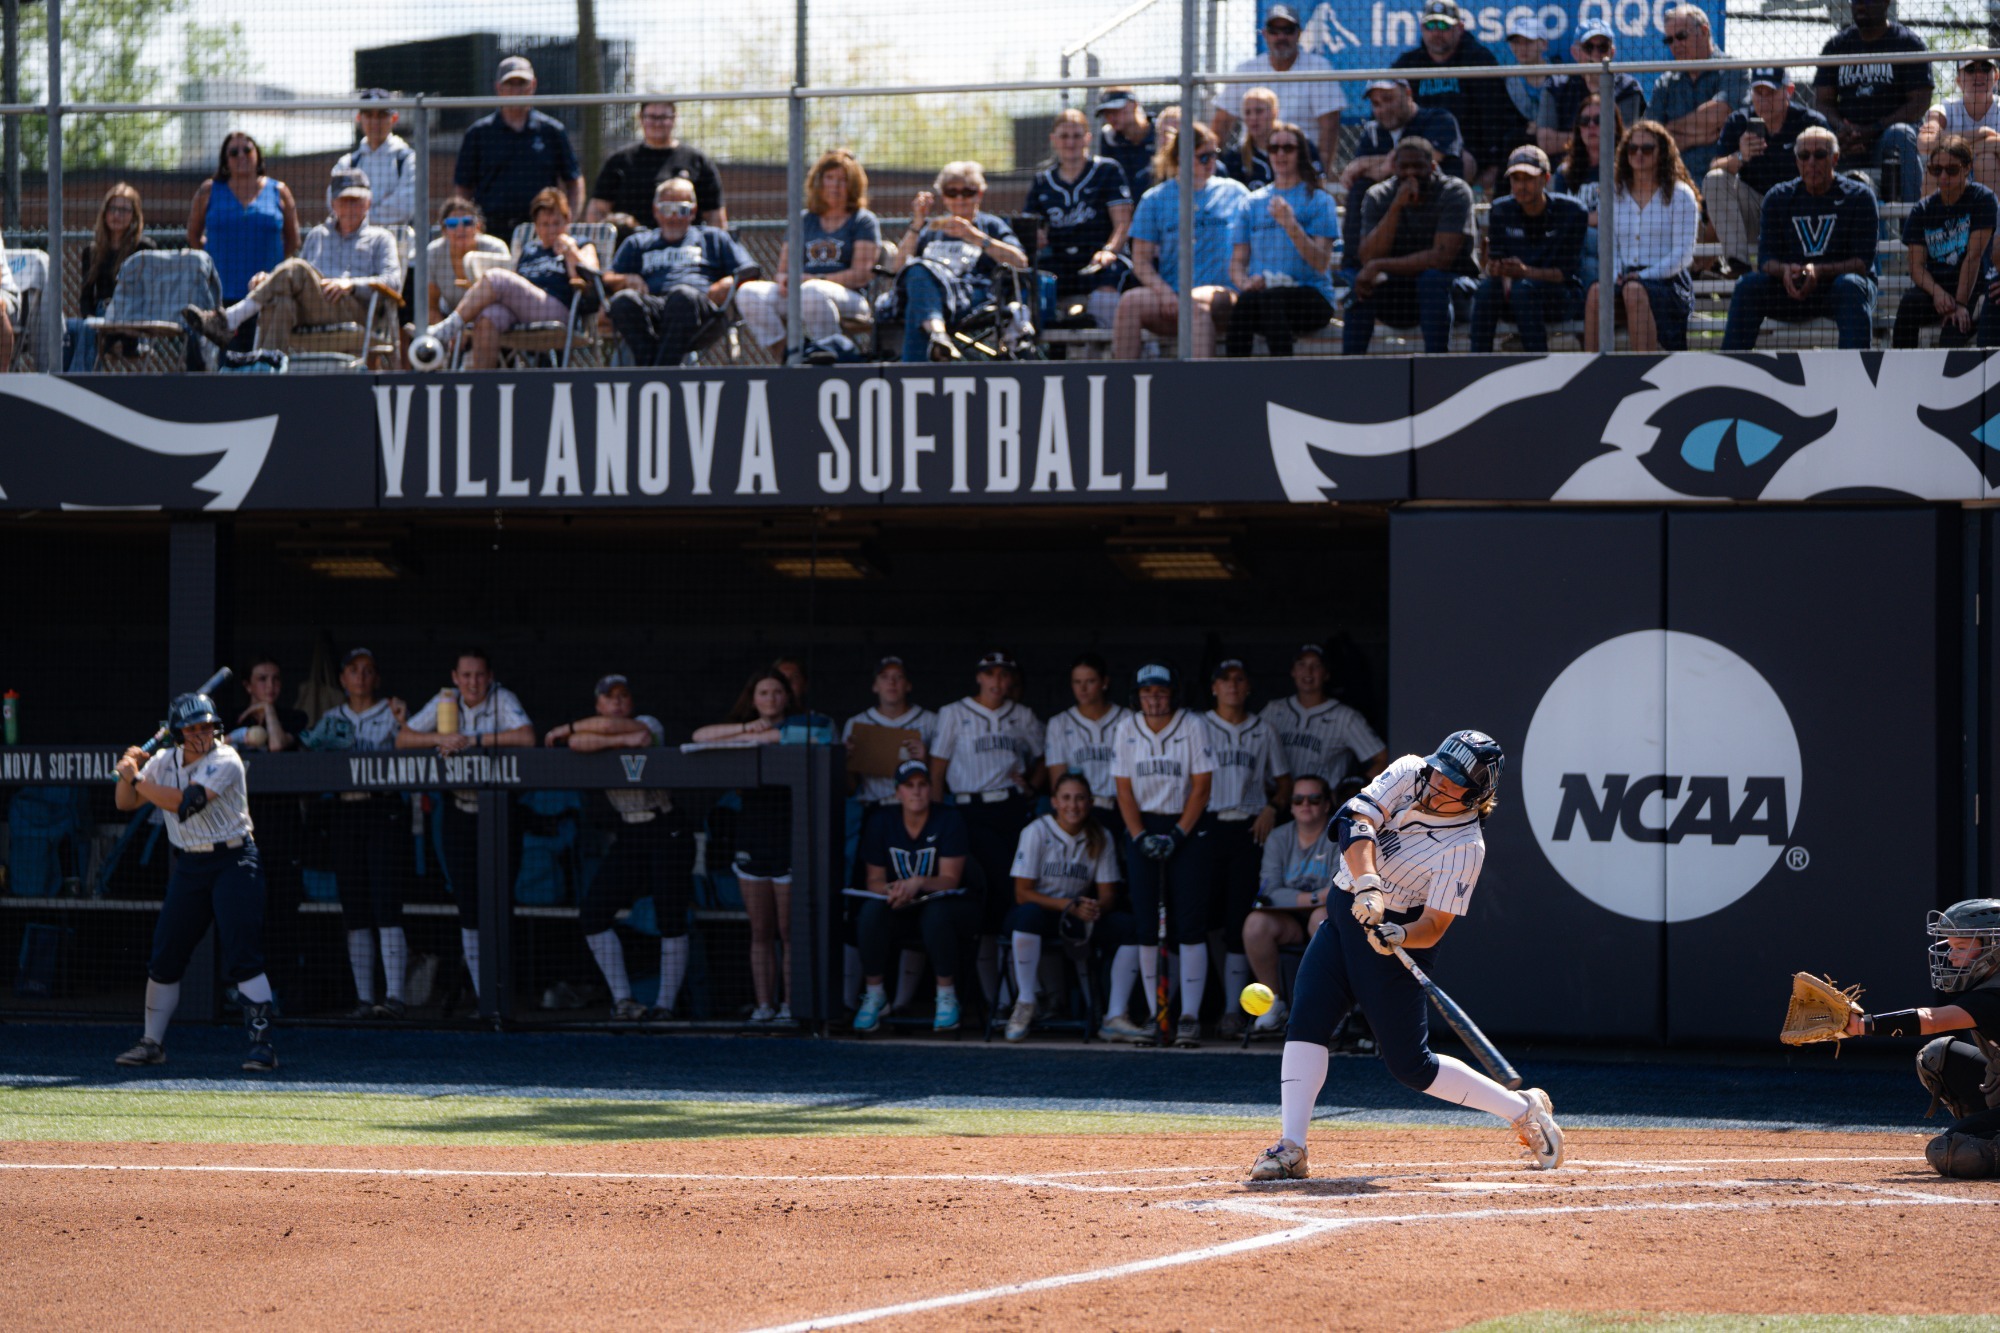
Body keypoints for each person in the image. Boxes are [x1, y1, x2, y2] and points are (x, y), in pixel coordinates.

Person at [1250, 730, 1564, 1181]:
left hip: (1393, 940)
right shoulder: (1410, 771)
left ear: (1476, 795)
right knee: (1306, 1022)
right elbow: (1355, 820)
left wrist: (1399, 933)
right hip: (1345, 911)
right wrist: (1368, 884)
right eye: (1439, 771)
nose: (1437, 783)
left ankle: (1523, 1108)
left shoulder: (1465, 847)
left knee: (1412, 1066)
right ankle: (1291, 1148)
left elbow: (1434, 924)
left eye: (1453, 782)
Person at [112, 694, 278, 1072]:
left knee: (243, 954)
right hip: (190, 863)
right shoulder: (162, 761)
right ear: (177, 733)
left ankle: (262, 1046)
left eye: (207, 726)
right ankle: (151, 1043)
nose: (202, 734)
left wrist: (136, 776)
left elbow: (185, 803)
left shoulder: (226, 758)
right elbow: (125, 803)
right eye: (193, 728)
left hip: (234, 859)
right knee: (165, 955)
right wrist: (127, 771)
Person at [548, 675, 695, 1021]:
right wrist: (615, 740)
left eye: (623, 696)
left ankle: (665, 1006)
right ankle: (624, 1001)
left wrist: (576, 730)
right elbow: (576, 743)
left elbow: (636, 735)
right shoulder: (593, 731)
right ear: (598, 705)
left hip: (666, 826)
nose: (616, 702)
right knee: (593, 914)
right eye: (608, 697)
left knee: (670, 916)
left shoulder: (648, 723)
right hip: (629, 831)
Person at [396, 649, 535, 1002]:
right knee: (468, 903)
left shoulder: (502, 698)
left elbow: (526, 736)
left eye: (479, 675)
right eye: (466, 675)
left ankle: (504, 996)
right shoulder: (446, 699)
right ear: (455, 677)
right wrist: (440, 738)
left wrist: (474, 740)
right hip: (459, 811)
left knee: (499, 900)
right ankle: (482, 995)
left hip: (499, 811)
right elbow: (403, 738)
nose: (473, 682)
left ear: (490, 676)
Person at [1830, 899, 2000, 1178]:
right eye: (1951, 946)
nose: (1951, 956)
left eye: (1961, 947)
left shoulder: (1994, 995)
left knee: (1953, 1153)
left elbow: (1933, 1020)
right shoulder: (1989, 987)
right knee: (1937, 1057)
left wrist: (1861, 1026)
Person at [182, 168, 399, 356]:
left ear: (368, 203)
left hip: (354, 311)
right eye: (344, 200)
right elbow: (296, 281)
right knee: (281, 300)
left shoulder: (381, 238)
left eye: (356, 200)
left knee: (296, 267)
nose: (350, 207)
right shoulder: (317, 235)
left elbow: (394, 281)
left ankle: (230, 319)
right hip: (313, 307)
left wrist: (351, 285)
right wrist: (270, 281)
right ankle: (267, 373)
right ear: (333, 203)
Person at [930, 650, 1044, 1009]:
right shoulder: (954, 712)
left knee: (1010, 896)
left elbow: (1045, 756)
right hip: (968, 809)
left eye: (1004, 674)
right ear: (979, 677)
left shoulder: (1022, 715)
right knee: (979, 899)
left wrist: (1032, 786)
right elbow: (937, 769)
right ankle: (991, 997)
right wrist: (938, 818)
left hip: (1009, 808)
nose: (997, 681)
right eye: (991, 674)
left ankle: (1013, 996)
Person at [1113, 663, 1214, 1048]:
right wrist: (1139, 836)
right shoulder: (1126, 728)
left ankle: (1189, 1016)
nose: (1153, 699)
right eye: (1146, 693)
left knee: (1189, 923)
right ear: (1136, 696)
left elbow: (1202, 787)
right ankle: (1159, 1014)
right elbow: (1123, 789)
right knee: (1146, 924)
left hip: (1185, 826)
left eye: (1160, 692)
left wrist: (1178, 833)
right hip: (1142, 827)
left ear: (1173, 694)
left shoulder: (1192, 725)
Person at [693, 669, 798, 1023]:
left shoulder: (799, 728)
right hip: (751, 837)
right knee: (760, 931)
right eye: (763, 692)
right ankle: (764, 1006)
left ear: (787, 697)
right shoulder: (742, 727)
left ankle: (791, 1006)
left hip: (787, 837)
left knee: (789, 931)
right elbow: (699, 737)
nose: (771, 698)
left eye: (777, 692)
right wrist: (745, 730)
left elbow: (811, 737)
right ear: (752, 698)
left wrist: (765, 736)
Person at [1722, 127, 1879, 351]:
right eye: (1804, 156)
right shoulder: (1778, 197)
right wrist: (1786, 271)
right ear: (1797, 161)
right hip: (1792, 290)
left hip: (1840, 291)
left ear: (1835, 159)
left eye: (1820, 155)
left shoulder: (1859, 196)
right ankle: (1730, 366)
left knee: (1850, 285)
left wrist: (1818, 271)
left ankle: (1856, 369)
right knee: (1747, 286)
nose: (1811, 162)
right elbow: (1765, 260)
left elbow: (1862, 263)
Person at [853, 761, 976, 1034]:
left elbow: (950, 879)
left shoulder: (948, 819)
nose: (917, 791)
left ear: (931, 789)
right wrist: (894, 891)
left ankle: (946, 996)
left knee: (937, 915)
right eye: (909, 785)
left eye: (922, 785)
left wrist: (918, 883)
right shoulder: (881, 821)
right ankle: (875, 995)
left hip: (940, 905)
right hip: (898, 905)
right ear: (898, 792)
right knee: (870, 912)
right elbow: (873, 880)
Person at [418, 187, 599, 371]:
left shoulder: (582, 244)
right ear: (536, 226)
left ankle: (448, 328)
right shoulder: (530, 250)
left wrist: (570, 249)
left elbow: (593, 275)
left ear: (568, 220)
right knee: (488, 316)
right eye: (545, 224)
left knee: (497, 277)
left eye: (556, 223)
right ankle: (482, 383)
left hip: (559, 311)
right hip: (523, 312)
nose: (551, 230)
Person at [1202, 659, 1290, 1040]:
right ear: (1213, 687)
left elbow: (1284, 782)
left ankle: (1231, 1011)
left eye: (1239, 679)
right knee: (1205, 918)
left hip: (1249, 828)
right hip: (1206, 824)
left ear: (1249, 687)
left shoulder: (1263, 729)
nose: (1232, 686)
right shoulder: (1197, 726)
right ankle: (1210, 1003)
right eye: (1224, 680)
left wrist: (1272, 807)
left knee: (1240, 917)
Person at [323, 649, 412, 1018]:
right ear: (342, 678)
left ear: (377, 677)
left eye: (368, 670)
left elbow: (410, 750)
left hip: (382, 810)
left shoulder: (392, 712)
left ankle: (394, 998)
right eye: (353, 670)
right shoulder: (331, 718)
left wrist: (405, 724)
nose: (360, 677)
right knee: (355, 906)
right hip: (345, 812)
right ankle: (364, 999)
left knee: (387, 903)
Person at [1003, 771, 1123, 1042]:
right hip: (1041, 911)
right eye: (1066, 798)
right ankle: (1026, 1001)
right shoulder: (1036, 831)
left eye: (1080, 798)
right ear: (1054, 802)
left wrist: (1095, 907)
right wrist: (1068, 905)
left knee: (1131, 928)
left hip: (1077, 915)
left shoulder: (1101, 835)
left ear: (1090, 802)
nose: (1073, 805)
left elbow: (1109, 895)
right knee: (1027, 916)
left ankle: (1115, 1015)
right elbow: (1022, 893)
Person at [1114, 124, 1248, 361]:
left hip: (1223, 297)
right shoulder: (1155, 199)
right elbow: (1141, 260)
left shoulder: (1235, 193)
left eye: (1214, 154)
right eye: (1203, 156)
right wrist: (1164, 292)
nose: (1211, 162)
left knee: (1195, 302)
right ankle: (1122, 381)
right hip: (1172, 298)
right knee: (1129, 302)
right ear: (1181, 158)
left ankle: (1198, 381)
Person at [737, 149, 882, 357]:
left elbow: (861, 274)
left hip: (850, 298)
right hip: (801, 292)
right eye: (830, 178)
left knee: (812, 292)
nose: (835, 185)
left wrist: (816, 279)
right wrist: (785, 280)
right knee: (748, 293)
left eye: (843, 180)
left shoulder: (863, 220)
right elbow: (782, 271)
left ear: (853, 185)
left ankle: (832, 356)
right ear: (818, 182)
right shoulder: (803, 220)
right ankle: (790, 356)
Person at [882, 161, 1028, 363]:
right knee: (917, 273)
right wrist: (917, 223)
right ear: (943, 196)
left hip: (971, 295)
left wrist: (975, 237)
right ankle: (938, 334)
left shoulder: (991, 225)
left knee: (917, 299)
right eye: (952, 192)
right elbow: (897, 268)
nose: (960, 199)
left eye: (967, 192)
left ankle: (917, 366)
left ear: (979, 194)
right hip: (931, 295)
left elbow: (1021, 262)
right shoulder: (932, 228)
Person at [1343, 137, 1478, 355]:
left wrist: (1380, 265)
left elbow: (1440, 259)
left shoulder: (1455, 191)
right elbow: (1368, 257)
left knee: (1431, 279)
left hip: (1453, 291)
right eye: (1404, 167)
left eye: (1418, 166)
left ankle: (1436, 365)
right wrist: (1396, 206)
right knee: (1362, 285)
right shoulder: (1378, 195)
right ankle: (1349, 367)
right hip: (1401, 295)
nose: (1411, 173)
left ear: (1432, 166)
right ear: (1394, 168)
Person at [605, 177, 752, 367]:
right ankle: (654, 370)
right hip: (654, 307)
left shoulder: (713, 238)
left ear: (693, 211)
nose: (674, 217)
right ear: (656, 211)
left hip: (701, 311)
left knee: (681, 296)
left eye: (682, 209)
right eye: (667, 209)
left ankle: (659, 374)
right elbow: (606, 277)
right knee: (623, 300)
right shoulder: (638, 243)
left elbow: (748, 270)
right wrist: (626, 279)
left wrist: (727, 283)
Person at [1240, 772, 1342, 1038]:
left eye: (1314, 799)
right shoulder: (1278, 837)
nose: (1305, 805)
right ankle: (1273, 1004)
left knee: (1320, 918)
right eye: (1298, 800)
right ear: (1291, 806)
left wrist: (1313, 899)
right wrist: (1312, 897)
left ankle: (1329, 1008)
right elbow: (1269, 892)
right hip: (1286, 919)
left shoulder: (1340, 834)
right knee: (1255, 924)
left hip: (1326, 917)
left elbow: (1339, 888)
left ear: (1327, 804)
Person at [1585, 119, 1699, 353]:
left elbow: (1684, 255)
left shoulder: (1681, 195)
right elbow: (1609, 246)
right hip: (1624, 276)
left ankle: (1645, 367)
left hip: (1668, 281)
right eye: (1632, 148)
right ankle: (1592, 367)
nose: (1638, 154)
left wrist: (1642, 276)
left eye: (1647, 149)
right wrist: (1616, 273)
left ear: (1662, 153)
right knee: (1597, 291)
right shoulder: (1613, 195)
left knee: (1634, 290)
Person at [1226, 122, 1338, 357]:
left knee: (1271, 299)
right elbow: (1237, 262)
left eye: (1288, 148)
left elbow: (1321, 262)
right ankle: (1233, 375)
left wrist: (1290, 224)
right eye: (1274, 148)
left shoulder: (1319, 200)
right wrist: (1245, 283)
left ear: (1300, 153)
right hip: (1264, 298)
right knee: (1245, 302)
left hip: (1311, 298)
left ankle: (1283, 372)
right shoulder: (1251, 202)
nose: (1280, 154)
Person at [1706, 69, 1831, 276]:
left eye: (1770, 92)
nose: (1763, 100)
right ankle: (1739, 266)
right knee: (1714, 179)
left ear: (1789, 91)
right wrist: (1740, 156)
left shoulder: (1810, 122)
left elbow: (1830, 169)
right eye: (1758, 92)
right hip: (1755, 212)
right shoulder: (1739, 121)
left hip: (1798, 211)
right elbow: (1714, 166)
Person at [186, 131, 300, 346]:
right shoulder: (209, 190)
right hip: (219, 297)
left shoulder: (279, 190)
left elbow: (293, 241)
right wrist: (213, 259)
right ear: (225, 160)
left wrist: (272, 266)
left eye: (247, 150)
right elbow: (193, 235)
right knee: (223, 359)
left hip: (267, 296)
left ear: (257, 155)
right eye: (233, 152)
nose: (241, 156)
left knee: (264, 356)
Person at [1470, 144, 1587, 353]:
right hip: (1515, 296)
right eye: (1516, 179)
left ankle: (1537, 362)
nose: (1521, 186)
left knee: (1523, 290)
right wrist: (1493, 267)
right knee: (1487, 289)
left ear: (1546, 179)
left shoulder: (1572, 212)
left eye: (1529, 179)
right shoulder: (1500, 210)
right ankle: (1477, 362)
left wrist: (1526, 272)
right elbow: (1495, 264)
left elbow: (1566, 274)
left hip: (1560, 299)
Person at [453, 55, 584, 242]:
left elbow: (574, 181)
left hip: (541, 233)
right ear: (498, 88)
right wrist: (470, 223)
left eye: (522, 83)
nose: (516, 90)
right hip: (491, 231)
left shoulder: (552, 131)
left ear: (533, 85)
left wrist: (566, 220)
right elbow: (463, 187)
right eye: (509, 84)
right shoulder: (478, 134)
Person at [1814, 0, 1931, 204]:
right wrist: (1842, 129)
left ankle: (1911, 220)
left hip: (1887, 140)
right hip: (1846, 140)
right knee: (1814, 136)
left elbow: (1919, 103)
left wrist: (1873, 129)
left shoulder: (1908, 43)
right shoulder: (1836, 46)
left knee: (1901, 133)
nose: (1860, 5)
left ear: (1885, 3)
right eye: (1855, 1)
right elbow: (1823, 102)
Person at [1024, 111, 1133, 330]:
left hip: (1098, 260)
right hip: (1060, 262)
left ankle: (1106, 346)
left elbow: (1123, 222)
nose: (1070, 142)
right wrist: (1036, 234)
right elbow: (1030, 223)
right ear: (1053, 139)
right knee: (1030, 284)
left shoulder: (1107, 170)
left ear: (1087, 138)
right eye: (1064, 136)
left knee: (1107, 291)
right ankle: (1045, 346)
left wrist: (1109, 251)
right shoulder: (1043, 180)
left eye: (1076, 136)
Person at [1391, 0, 1513, 185]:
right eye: (1430, 26)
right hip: (1415, 149)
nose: (1436, 33)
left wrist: (1493, 164)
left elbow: (1495, 119)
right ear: (1421, 28)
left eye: (1444, 26)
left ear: (1459, 28)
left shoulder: (1479, 61)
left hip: (1467, 152)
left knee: (1453, 167)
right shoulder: (1408, 64)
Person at [1211, 4, 1345, 170]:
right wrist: (1210, 163)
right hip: (1251, 166)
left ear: (1299, 33)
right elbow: (1222, 123)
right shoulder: (1246, 70)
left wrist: (1320, 173)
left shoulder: (1319, 68)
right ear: (1265, 34)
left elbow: (1330, 127)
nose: (1281, 36)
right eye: (1274, 31)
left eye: (1288, 30)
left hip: (1299, 166)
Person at [1893, 136, 1997, 348]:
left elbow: (1973, 257)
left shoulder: (1983, 199)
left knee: (1951, 338)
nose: (1943, 176)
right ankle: (1897, 365)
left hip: (1974, 289)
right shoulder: (1923, 209)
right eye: (1936, 169)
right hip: (1936, 288)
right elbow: (1916, 266)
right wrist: (1937, 293)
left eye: (1951, 170)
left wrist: (1960, 304)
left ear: (1967, 168)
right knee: (1909, 306)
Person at [1340, 79, 1464, 249]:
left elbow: (1433, 154)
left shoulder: (1439, 119)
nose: (1383, 109)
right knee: (1359, 189)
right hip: (1388, 215)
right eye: (1376, 104)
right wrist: (1378, 166)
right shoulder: (1373, 131)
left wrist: (1367, 163)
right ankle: (1352, 260)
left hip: (1434, 209)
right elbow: (1356, 174)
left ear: (1408, 94)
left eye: (1389, 99)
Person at [1258, 644, 1386, 790]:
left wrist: (1353, 791)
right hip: (1277, 798)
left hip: (1321, 800)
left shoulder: (1345, 717)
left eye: (1317, 665)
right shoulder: (1273, 710)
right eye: (1301, 664)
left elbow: (1382, 758)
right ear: (1293, 671)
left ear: (1326, 674)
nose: (1308, 671)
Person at [1640, 6, 1744, 183]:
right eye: (1669, 40)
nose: (1675, 45)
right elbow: (1649, 137)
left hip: (1721, 183)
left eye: (1681, 36)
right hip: (1675, 184)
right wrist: (1700, 136)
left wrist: (1669, 130)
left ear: (1704, 31)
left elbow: (1719, 115)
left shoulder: (1733, 69)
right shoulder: (1666, 83)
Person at [589, 100, 726, 228]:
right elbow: (597, 210)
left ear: (674, 118)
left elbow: (715, 216)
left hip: (684, 243)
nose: (658, 123)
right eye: (652, 117)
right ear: (641, 118)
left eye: (663, 117)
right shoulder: (619, 161)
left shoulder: (697, 161)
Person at [66, 183, 156, 371]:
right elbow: (86, 297)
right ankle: (66, 377)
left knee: (88, 330)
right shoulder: (92, 251)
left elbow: (151, 293)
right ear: (104, 212)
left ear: (134, 215)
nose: (117, 215)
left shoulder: (144, 248)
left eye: (124, 210)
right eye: (112, 208)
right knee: (69, 329)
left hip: (133, 316)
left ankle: (80, 382)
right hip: (101, 316)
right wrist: (90, 319)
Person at [1535, 21, 1646, 160]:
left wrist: (1574, 137)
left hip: (1614, 167)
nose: (1595, 54)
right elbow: (1546, 142)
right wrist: (1596, 136)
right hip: (1567, 168)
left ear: (1612, 52)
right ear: (1575, 52)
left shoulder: (1627, 87)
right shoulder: (1555, 86)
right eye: (1588, 47)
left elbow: (1625, 140)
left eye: (1603, 47)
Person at [1554, 94, 1622, 290]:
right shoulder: (1565, 172)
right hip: (1577, 247)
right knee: (1586, 262)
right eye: (1584, 121)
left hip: (1615, 242)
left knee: (1578, 239)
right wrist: (1590, 219)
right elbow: (1559, 218)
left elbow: (1619, 216)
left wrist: (1577, 221)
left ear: (1614, 126)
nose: (1591, 126)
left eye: (1598, 120)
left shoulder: (1625, 168)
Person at [422, 196, 511, 328]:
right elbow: (431, 307)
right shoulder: (433, 253)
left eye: (467, 222)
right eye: (452, 223)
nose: (460, 228)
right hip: (448, 322)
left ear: (478, 226)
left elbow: (506, 298)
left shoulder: (496, 249)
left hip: (490, 320)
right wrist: (448, 333)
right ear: (444, 230)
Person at [335, 89, 418, 230]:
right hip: (355, 240)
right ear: (359, 118)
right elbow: (334, 203)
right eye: (369, 115)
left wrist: (357, 215)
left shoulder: (408, 159)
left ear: (394, 118)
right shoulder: (347, 163)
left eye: (381, 115)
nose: (375, 121)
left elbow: (405, 207)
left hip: (398, 240)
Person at [1918, 58, 2000, 195]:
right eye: (1970, 69)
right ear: (1959, 81)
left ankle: (1993, 210)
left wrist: (1952, 145)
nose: (1978, 74)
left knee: (1987, 161)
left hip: (1992, 176)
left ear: (1996, 76)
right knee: (1937, 168)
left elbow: (1932, 142)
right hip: (1953, 177)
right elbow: (1924, 144)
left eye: (1985, 68)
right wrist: (1981, 133)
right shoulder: (1943, 108)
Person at [1220, 88, 1323, 189]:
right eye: (1247, 112)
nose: (1253, 117)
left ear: (1274, 112)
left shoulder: (1300, 145)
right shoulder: (1236, 156)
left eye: (1259, 111)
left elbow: (1318, 184)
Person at [1499, 15, 1556, 153]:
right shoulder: (1507, 82)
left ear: (1544, 44)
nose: (1521, 48)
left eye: (1528, 42)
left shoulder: (1562, 78)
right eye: (1516, 42)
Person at [1095, 87, 1158, 195]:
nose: (1111, 117)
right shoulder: (1109, 138)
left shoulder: (1160, 132)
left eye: (1116, 110)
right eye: (1106, 113)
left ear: (1134, 105)